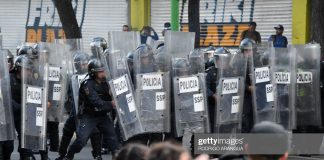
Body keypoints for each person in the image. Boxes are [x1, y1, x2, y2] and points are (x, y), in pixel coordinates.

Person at [63, 59, 120, 160]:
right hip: (89, 116)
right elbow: (96, 102)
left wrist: (113, 93)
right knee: (81, 140)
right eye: (100, 72)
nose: (103, 73)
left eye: (103, 71)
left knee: (113, 140)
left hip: (102, 115)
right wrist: (111, 103)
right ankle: (69, 154)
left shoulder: (105, 82)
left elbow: (113, 95)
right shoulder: (87, 84)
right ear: (93, 73)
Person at [56, 52, 103, 160]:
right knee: (67, 129)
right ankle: (62, 154)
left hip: (89, 110)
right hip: (75, 110)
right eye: (79, 64)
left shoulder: (92, 77)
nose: (82, 66)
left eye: (84, 64)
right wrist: (70, 108)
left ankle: (97, 155)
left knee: (95, 131)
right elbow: (68, 94)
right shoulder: (72, 77)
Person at [10, 55, 36, 160]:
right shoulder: (9, 79)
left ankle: (25, 156)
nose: (29, 72)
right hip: (9, 114)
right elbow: (7, 100)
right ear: (18, 68)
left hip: (22, 114)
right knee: (7, 144)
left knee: (25, 137)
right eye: (26, 69)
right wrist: (21, 107)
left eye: (29, 70)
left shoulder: (30, 81)